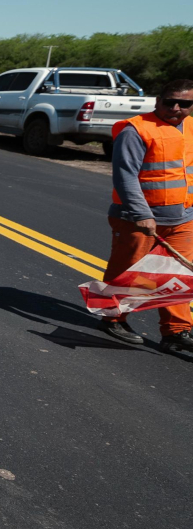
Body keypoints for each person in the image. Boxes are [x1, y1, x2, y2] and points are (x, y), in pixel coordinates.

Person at [101, 78, 193, 353]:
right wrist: (141, 213)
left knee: (177, 275)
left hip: (183, 218)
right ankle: (113, 318)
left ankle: (176, 331)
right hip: (137, 219)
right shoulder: (136, 130)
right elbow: (125, 176)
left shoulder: (190, 128)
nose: (175, 108)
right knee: (130, 272)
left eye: (184, 103)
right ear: (158, 101)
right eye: (170, 102)